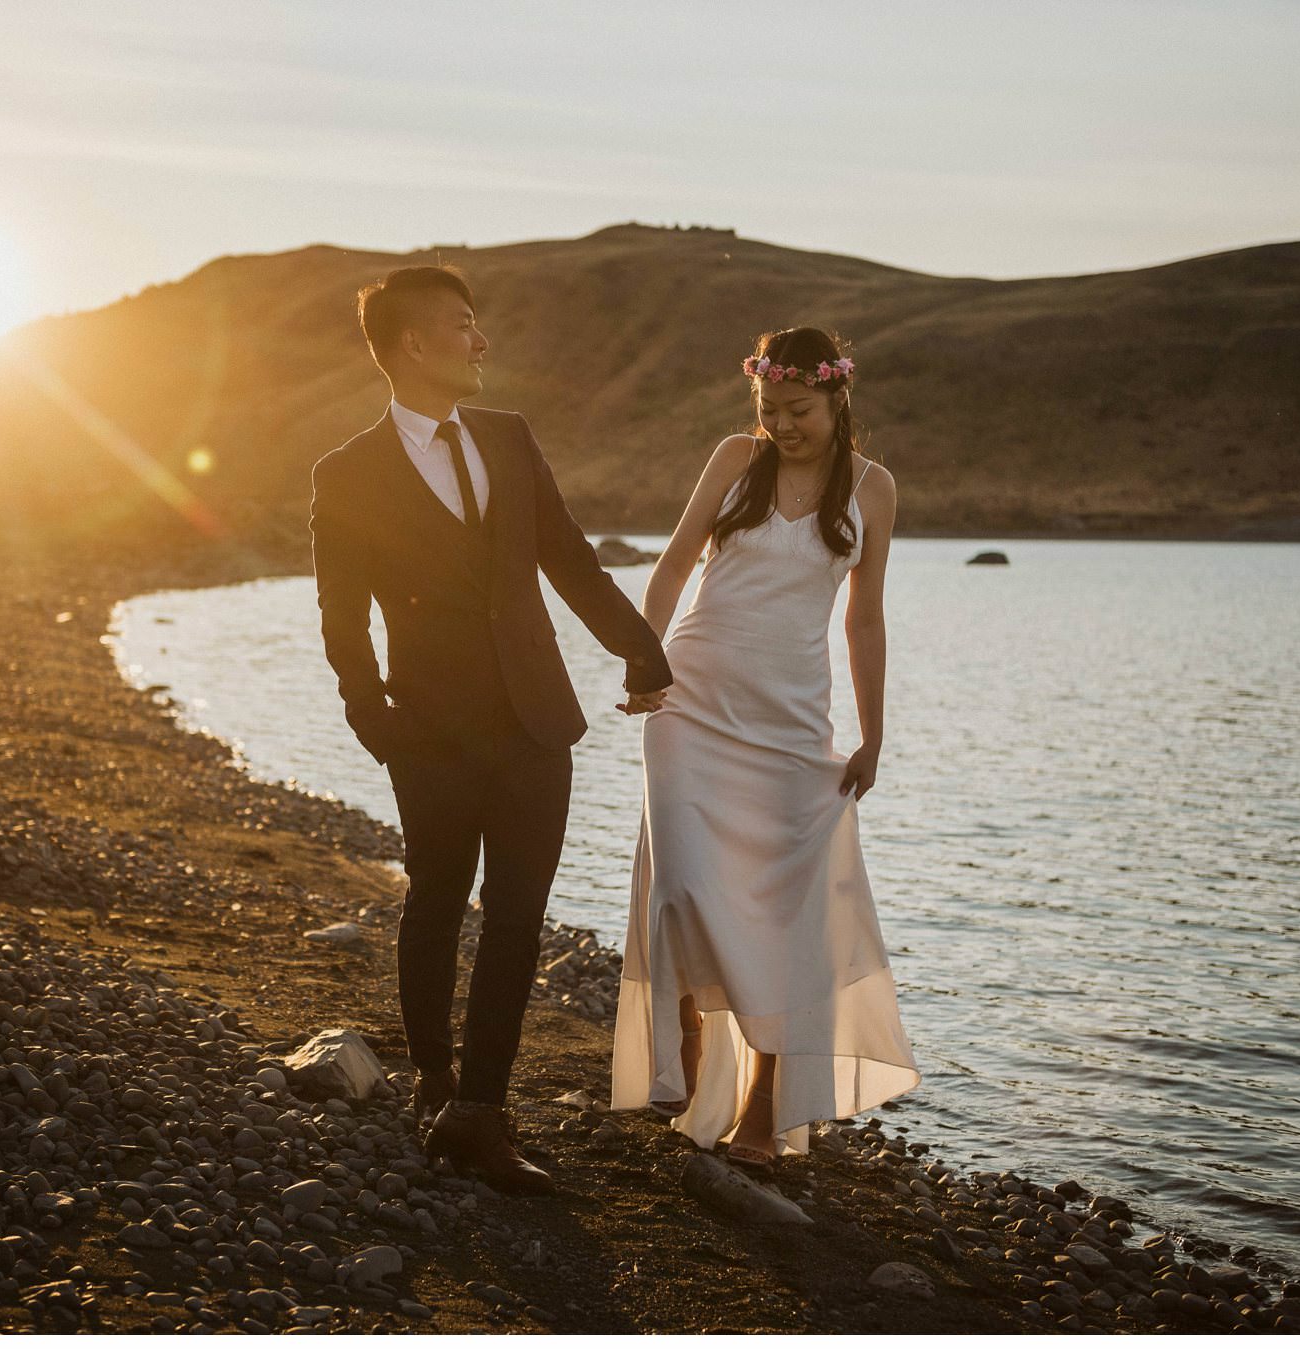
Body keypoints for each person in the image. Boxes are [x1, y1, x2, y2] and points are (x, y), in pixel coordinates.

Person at [310, 265, 673, 1195]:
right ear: (412, 346)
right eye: (464, 326)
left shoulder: (509, 439)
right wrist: (373, 720)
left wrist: (641, 650)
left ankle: (482, 1111)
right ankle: (433, 1077)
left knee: (517, 916)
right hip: (425, 729)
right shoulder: (346, 473)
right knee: (436, 897)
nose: (482, 342)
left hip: (532, 720)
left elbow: (571, 560)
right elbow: (342, 619)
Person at [609, 326, 921, 1174]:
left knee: (786, 915)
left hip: (789, 724)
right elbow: (673, 565)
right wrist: (646, 659)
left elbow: (863, 617)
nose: (783, 425)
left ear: (837, 398)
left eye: (800, 410)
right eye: (770, 409)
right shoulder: (733, 459)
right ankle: (686, 1050)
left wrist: (875, 732)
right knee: (678, 886)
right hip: (690, 697)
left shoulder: (871, 487)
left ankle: (760, 1109)